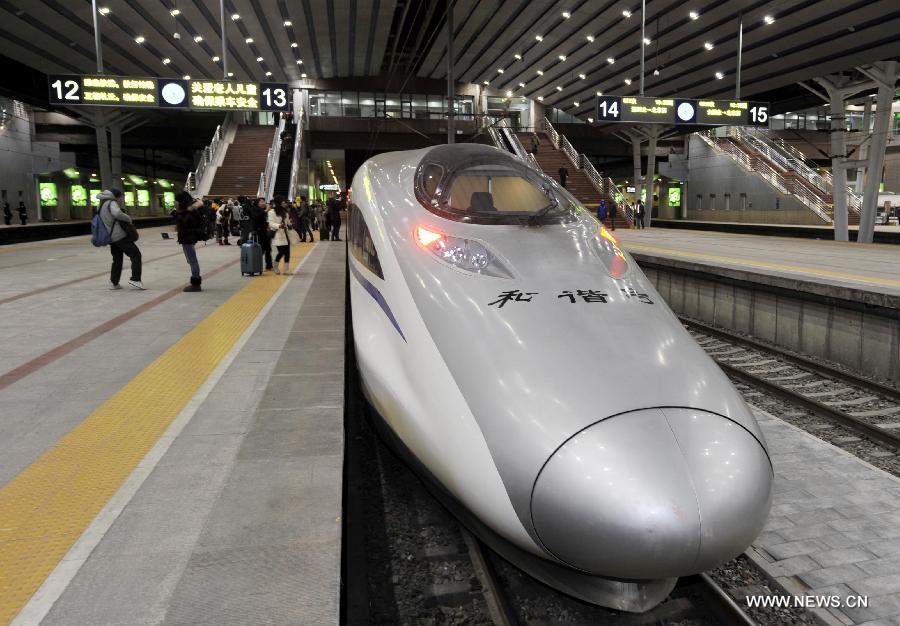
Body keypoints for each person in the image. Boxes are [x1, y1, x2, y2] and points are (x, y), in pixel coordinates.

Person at [97, 187, 143, 290]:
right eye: (119, 197)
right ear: (115, 196)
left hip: (110, 236)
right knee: (135, 254)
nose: (119, 199)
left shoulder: (100, 204)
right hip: (119, 235)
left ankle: (114, 283)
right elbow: (117, 214)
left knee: (117, 259)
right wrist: (128, 218)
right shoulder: (111, 203)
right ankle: (135, 279)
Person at [171, 191, 203, 292]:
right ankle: (195, 281)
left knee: (192, 260)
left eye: (177, 200)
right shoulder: (190, 208)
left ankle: (195, 283)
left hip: (188, 237)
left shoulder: (190, 209)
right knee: (191, 260)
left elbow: (185, 222)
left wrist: (175, 214)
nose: (176, 202)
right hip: (188, 237)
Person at [268, 199, 294, 274]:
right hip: (278, 234)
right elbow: (271, 223)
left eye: (285, 203)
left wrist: (290, 224)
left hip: (286, 234)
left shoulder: (285, 212)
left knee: (287, 252)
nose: (285, 204)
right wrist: (279, 226)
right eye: (282, 203)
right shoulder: (271, 212)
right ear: (278, 204)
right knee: (281, 252)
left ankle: (286, 270)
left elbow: (287, 222)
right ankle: (275, 266)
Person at [251, 197, 273, 270]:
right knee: (261, 250)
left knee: (268, 249)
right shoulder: (254, 209)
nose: (264, 203)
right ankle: (257, 266)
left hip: (264, 232)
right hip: (259, 232)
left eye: (264, 201)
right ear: (257, 203)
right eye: (262, 201)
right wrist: (266, 210)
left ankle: (269, 266)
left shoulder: (262, 210)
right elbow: (256, 217)